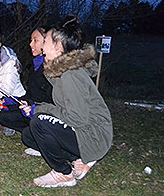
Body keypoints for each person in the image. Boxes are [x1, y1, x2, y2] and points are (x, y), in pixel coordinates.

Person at [20, 15, 113, 188]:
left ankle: (64, 173)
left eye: (45, 40)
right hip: (83, 129)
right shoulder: (61, 71)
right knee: (29, 135)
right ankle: (80, 159)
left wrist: (40, 110)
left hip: (94, 136)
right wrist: (37, 108)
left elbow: (77, 118)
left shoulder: (71, 74)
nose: (41, 46)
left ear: (58, 46)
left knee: (39, 123)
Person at [0, 28, 53, 147]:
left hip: (46, 112)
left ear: (47, 43)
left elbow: (51, 99)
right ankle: (34, 132)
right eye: (31, 40)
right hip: (31, 108)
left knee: (28, 130)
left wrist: (33, 108)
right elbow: (30, 93)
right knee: (4, 116)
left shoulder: (52, 68)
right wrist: (10, 101)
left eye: (35, 40)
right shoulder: (34, 65)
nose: (31, 44)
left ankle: (41, 137)